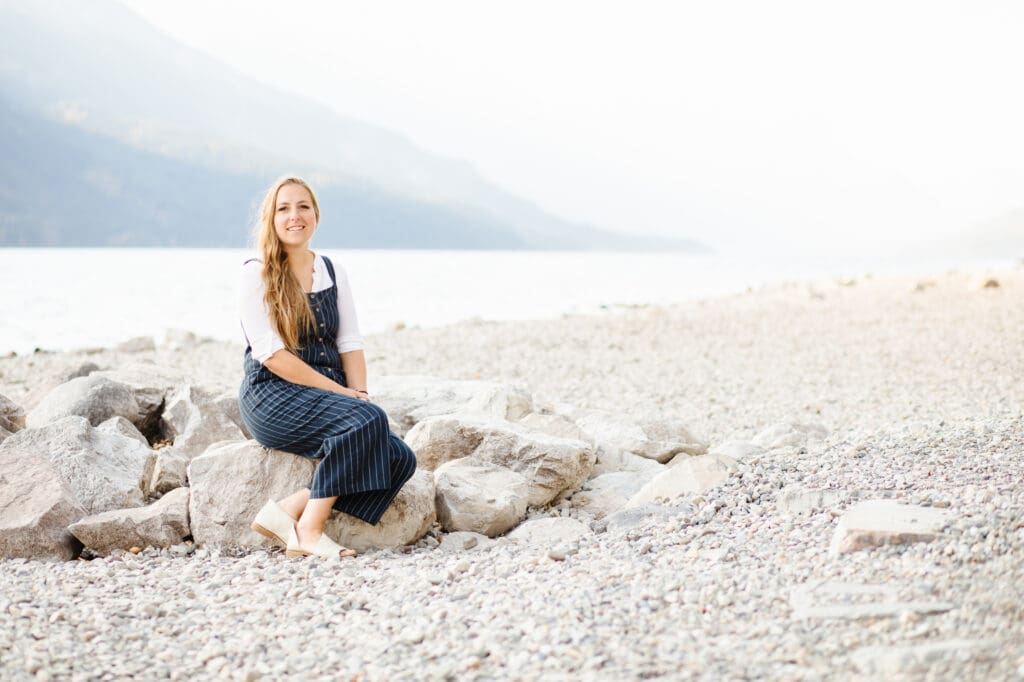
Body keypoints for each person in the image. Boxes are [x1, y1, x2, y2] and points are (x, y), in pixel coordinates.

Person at [237, 176, 417, 558]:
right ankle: (310, 530)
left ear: (316, 215)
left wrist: (361, 395)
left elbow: (350, 342)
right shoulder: (256, 273)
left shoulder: (332, 270)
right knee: (366, 422)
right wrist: (346, 397)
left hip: (328, 394)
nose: (294, 216)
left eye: (303, 206)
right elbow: (271, 355)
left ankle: (289, 509)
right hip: (273, 394)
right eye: (283, 208)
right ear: (270, 219)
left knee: (401, 458)